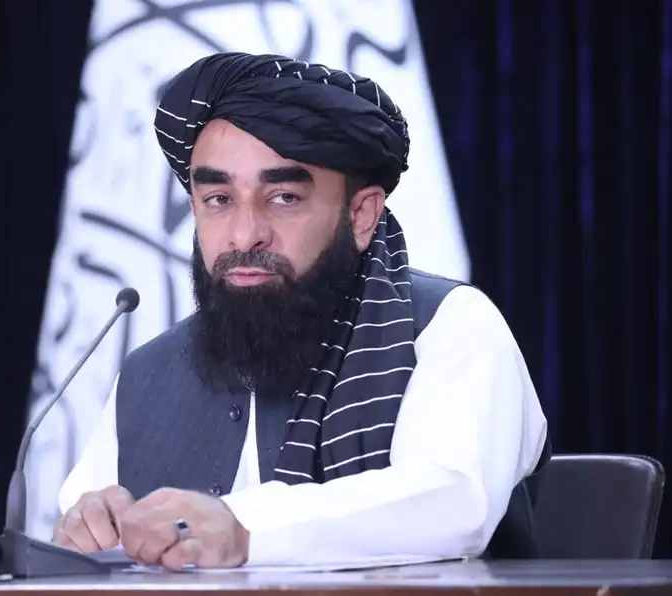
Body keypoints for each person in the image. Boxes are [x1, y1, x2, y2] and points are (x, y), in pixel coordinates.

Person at [52, 52, 550, 570]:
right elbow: (82, 532)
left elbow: (451, 504)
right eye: (218, 199)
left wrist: (243, 529)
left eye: (284, 197)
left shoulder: (449, 327)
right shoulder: (147, 374)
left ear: (361, 216)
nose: (245, 235)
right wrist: (91, 526)